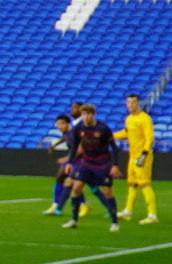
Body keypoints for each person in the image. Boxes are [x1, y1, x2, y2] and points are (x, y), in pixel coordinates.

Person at [62, 103, 122, 232]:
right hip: (86, 162)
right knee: (76, 187)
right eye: (84, 114)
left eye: (88, 114)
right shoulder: (79, 128)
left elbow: (115, 148)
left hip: (102, 163)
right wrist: (69, 163)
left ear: (93, 115)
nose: (86, 117)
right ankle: (74, 220)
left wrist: (115, 165)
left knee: (107, 191)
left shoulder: (103, 128)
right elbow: (74, 147)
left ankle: (114, 222)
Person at [113, 93, 158, 225]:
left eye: (133, 102)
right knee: (132, 184)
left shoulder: (145, 118)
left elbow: (149, 138)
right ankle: (128, 211)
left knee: (144, 183)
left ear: (138, 103)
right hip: (132, 156)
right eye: (128, 102)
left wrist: (144, 154)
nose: (131, 105)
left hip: (142, 156)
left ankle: (152, 214)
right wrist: (111, 136)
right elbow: (127, 133)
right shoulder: (129, 119)